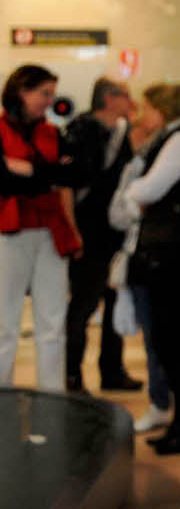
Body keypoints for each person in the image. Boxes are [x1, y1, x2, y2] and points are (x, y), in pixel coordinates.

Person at [108, 94, 180, 435]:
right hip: (168, 252)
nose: (141, 115)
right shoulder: (167, 140)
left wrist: (133, 195)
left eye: (147, 107)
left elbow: (148, 189)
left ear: (163, 110)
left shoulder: (179, 141)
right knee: (165, 336)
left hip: (176, 254)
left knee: (173, 337)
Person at [0, 65, 85, 392]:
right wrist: (48, 174)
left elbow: (73, 177)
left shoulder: (53, 132)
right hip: (10, 230)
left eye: (51, 94)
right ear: (22, 90)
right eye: (43, 93)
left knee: (52, 322)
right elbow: (4, 181)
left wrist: (26, 170)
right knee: (5, 323)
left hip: (51, 231)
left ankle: (53, 395)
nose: (49, 101)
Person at [63, 77, 142, 393]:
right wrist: (71, 231)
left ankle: (112, 370)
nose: (130, 102)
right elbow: (67, 186)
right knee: (83, 304)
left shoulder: (121, 132)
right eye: (126, 95)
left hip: (115, 233)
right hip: (87, 232)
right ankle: (71, 374)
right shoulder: (81, 130)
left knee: (115, 301)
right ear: (109, 99)